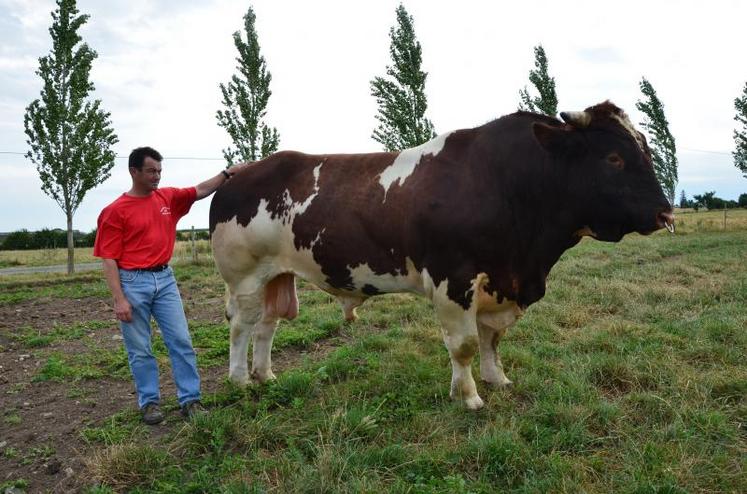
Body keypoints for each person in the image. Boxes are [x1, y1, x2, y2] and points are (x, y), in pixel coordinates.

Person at [94, 146, 248, 425]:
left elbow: (200, 190)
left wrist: (226, 173)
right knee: (140, 349)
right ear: (134, 172)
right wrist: (119, 299)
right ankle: (150, 403)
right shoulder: (114, 211)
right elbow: (108, 259)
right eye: (151, 171)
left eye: (160, 171)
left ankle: (190, 400)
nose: (157, 177)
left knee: (181, 341)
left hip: (165, 280)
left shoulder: (168, 198)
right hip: (132, 282)